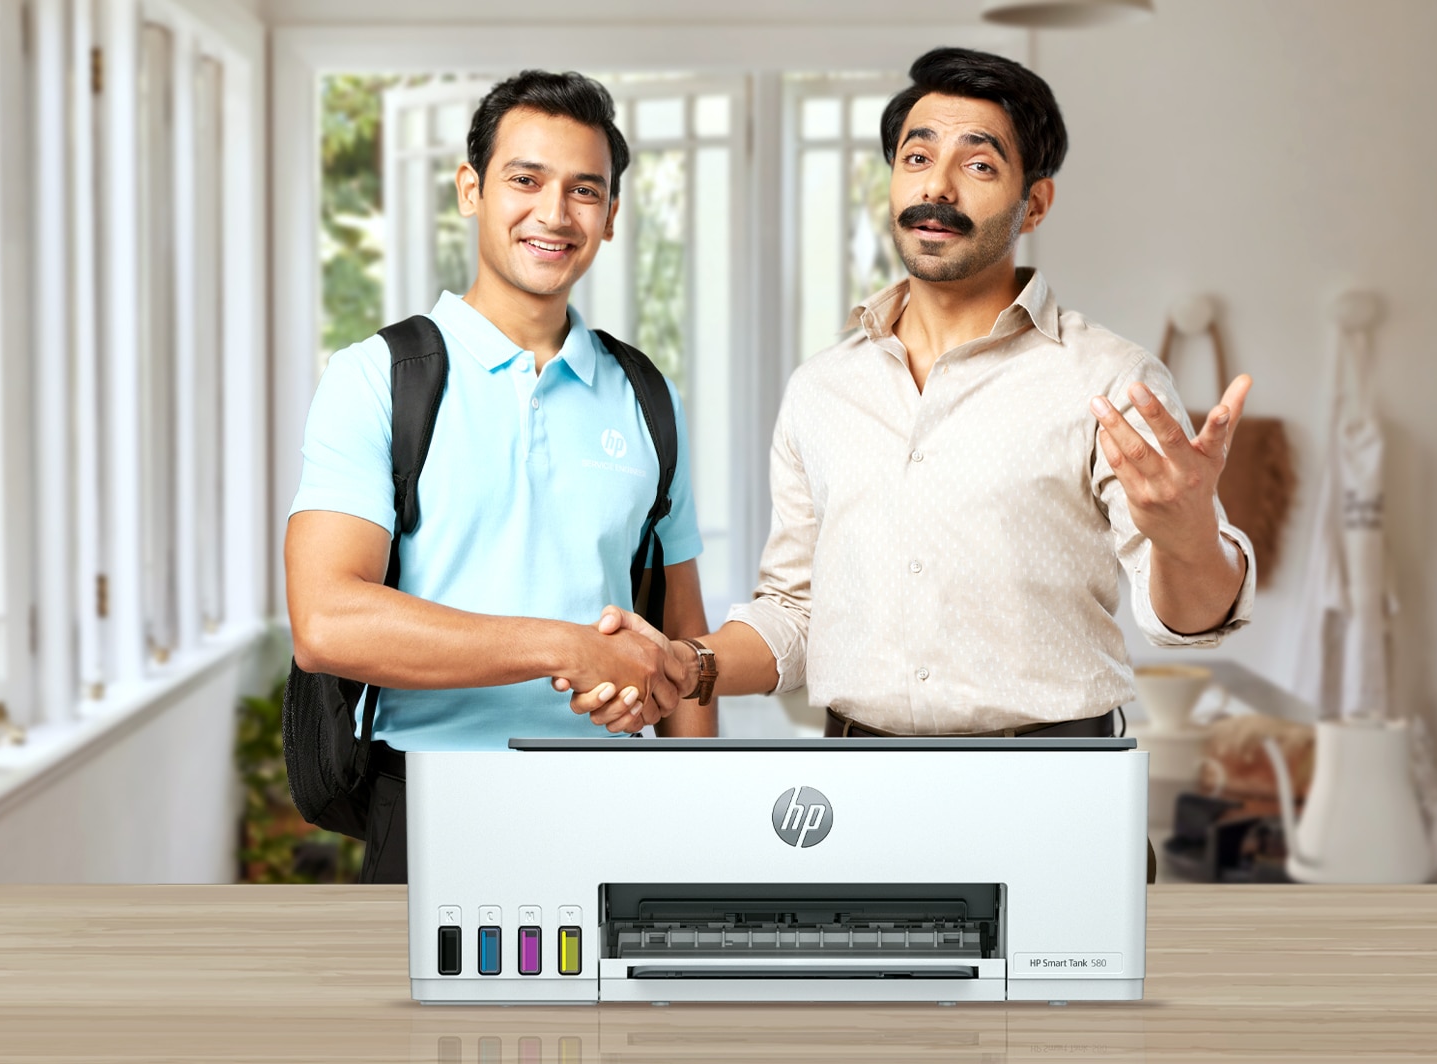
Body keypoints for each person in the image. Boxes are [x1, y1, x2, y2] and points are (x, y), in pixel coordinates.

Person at [593, 47, 1256, 758]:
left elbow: (1190, 620)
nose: (936, 187)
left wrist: (1186, 539)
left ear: (1034, 202)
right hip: (854, 782)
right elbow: (795, 612)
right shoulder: (822, 390)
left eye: (978, 165)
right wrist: (687, 664)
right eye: (916, 158)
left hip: (1051, 781)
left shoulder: (1111, 381)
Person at [285, 71, 711, 885]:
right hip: (435, 802)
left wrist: (694, 822)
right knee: (423, 1019)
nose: (555, 214)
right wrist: (564, 646)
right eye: (526, 180)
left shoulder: (647, 396)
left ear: (612, 217)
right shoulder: (378, 378)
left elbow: (685, 640)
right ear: (471, 190)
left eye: (584, 190)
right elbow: (327, 622)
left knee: (615, 1021)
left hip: (613, 805)